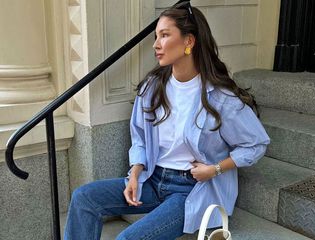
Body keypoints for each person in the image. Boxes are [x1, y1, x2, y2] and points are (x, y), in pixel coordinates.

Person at [64, 2, 270, 240]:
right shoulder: (153, 87)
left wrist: (214, 169)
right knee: (84, 198)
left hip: (191, 189)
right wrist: (135, 172)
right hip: (152, 179)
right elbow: (139, 136)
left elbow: (256, 144)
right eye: (156, 36)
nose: (156, 44)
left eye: (164, 35)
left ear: (188, 41)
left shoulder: (220, 97)